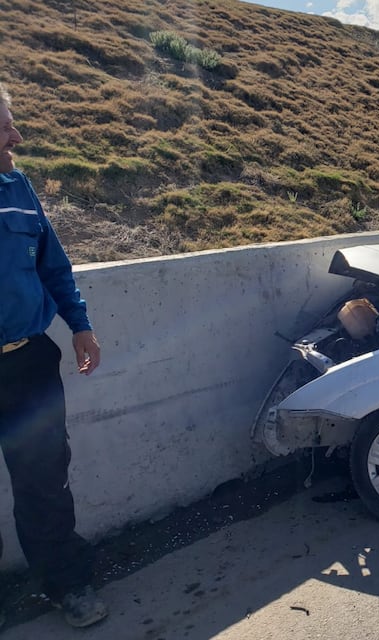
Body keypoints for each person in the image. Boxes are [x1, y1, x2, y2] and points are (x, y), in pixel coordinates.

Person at [0, 82, 108, 628]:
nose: (15, 135)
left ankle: (66, 583)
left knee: (46, 480)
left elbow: (52, 264)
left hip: (28, 363)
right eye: (2, 127)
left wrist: (80, 325)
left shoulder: (18, 186)